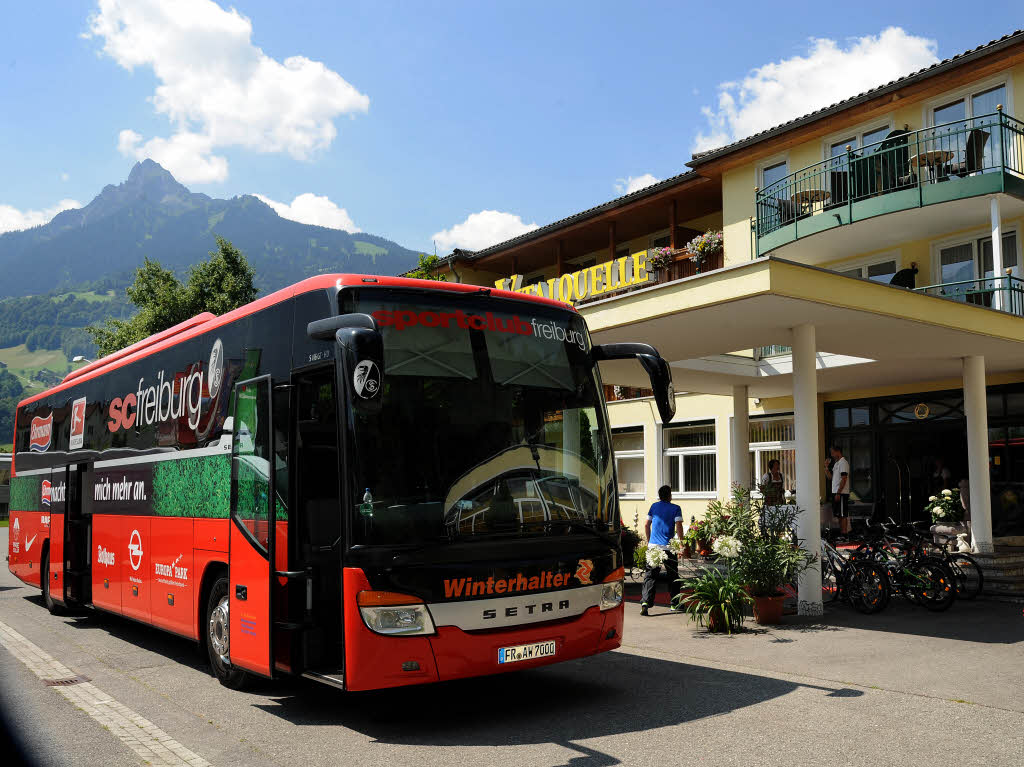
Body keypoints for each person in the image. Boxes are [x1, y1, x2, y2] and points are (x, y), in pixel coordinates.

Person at [641, 485, 684, 616]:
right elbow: (679, 526)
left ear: (659, 496)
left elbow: (646, 524)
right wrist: (681, 544)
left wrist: (649, 542)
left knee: (650, 575)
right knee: (673, 576)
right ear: (670, 495)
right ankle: (675, 604)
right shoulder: (676, 508)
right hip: (668, 547)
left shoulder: (654, 507)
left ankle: (645, 603)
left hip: (653, 546)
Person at [825, 445, 852, 536]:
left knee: (843, 515)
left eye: (833, 452)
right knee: (839, 515)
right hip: (836, 492)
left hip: (841, 493)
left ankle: (844, 535)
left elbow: (844, 479)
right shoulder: (836, 463)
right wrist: (826, 467)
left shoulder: (843, 463)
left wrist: (839, 492)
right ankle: (842, 533)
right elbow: (830, 478)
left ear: (838, 452)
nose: (832, 455)